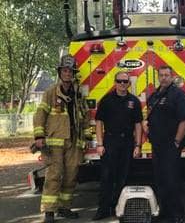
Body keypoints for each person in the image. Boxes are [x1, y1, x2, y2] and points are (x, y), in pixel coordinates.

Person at [33, 55, 92, 223]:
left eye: (70, 71)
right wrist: (39, 135)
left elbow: (85, 116)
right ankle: (49, 212)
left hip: (74, 142)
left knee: (71, 176)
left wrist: (87, 136)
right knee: (54, 175)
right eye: (64, 71)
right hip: (55, 143)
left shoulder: (78, 93)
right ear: (60, 72)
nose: (67, 74)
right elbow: (40, 114)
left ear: (73, 74)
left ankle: (64, 207)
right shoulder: (50, 92)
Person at [92, 71, 143, 221]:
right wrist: (100, 143)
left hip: (127, 142)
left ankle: (118, 208)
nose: (122, 84)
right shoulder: (106, 100)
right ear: (115, 82)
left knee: (123, 177)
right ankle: (103, 209)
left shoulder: (134, 101)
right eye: (119, 81)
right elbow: (99, 122)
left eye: (125, 81)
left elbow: (138, 124)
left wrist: (138, 145)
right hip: (110, 142)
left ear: (129, 83)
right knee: (107, 177)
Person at [147, 65, 185, 223]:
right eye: (161, 75)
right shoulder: (154, 96)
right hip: (157, 145)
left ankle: (177, 213)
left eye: (167, 75)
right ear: (158, 77)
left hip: (171, 144)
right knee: (160, 179)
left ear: (172, 77)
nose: (164, 78)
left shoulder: (179, 95)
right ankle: (164, 211)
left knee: (172, 179)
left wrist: (177, 141)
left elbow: (184, 120)